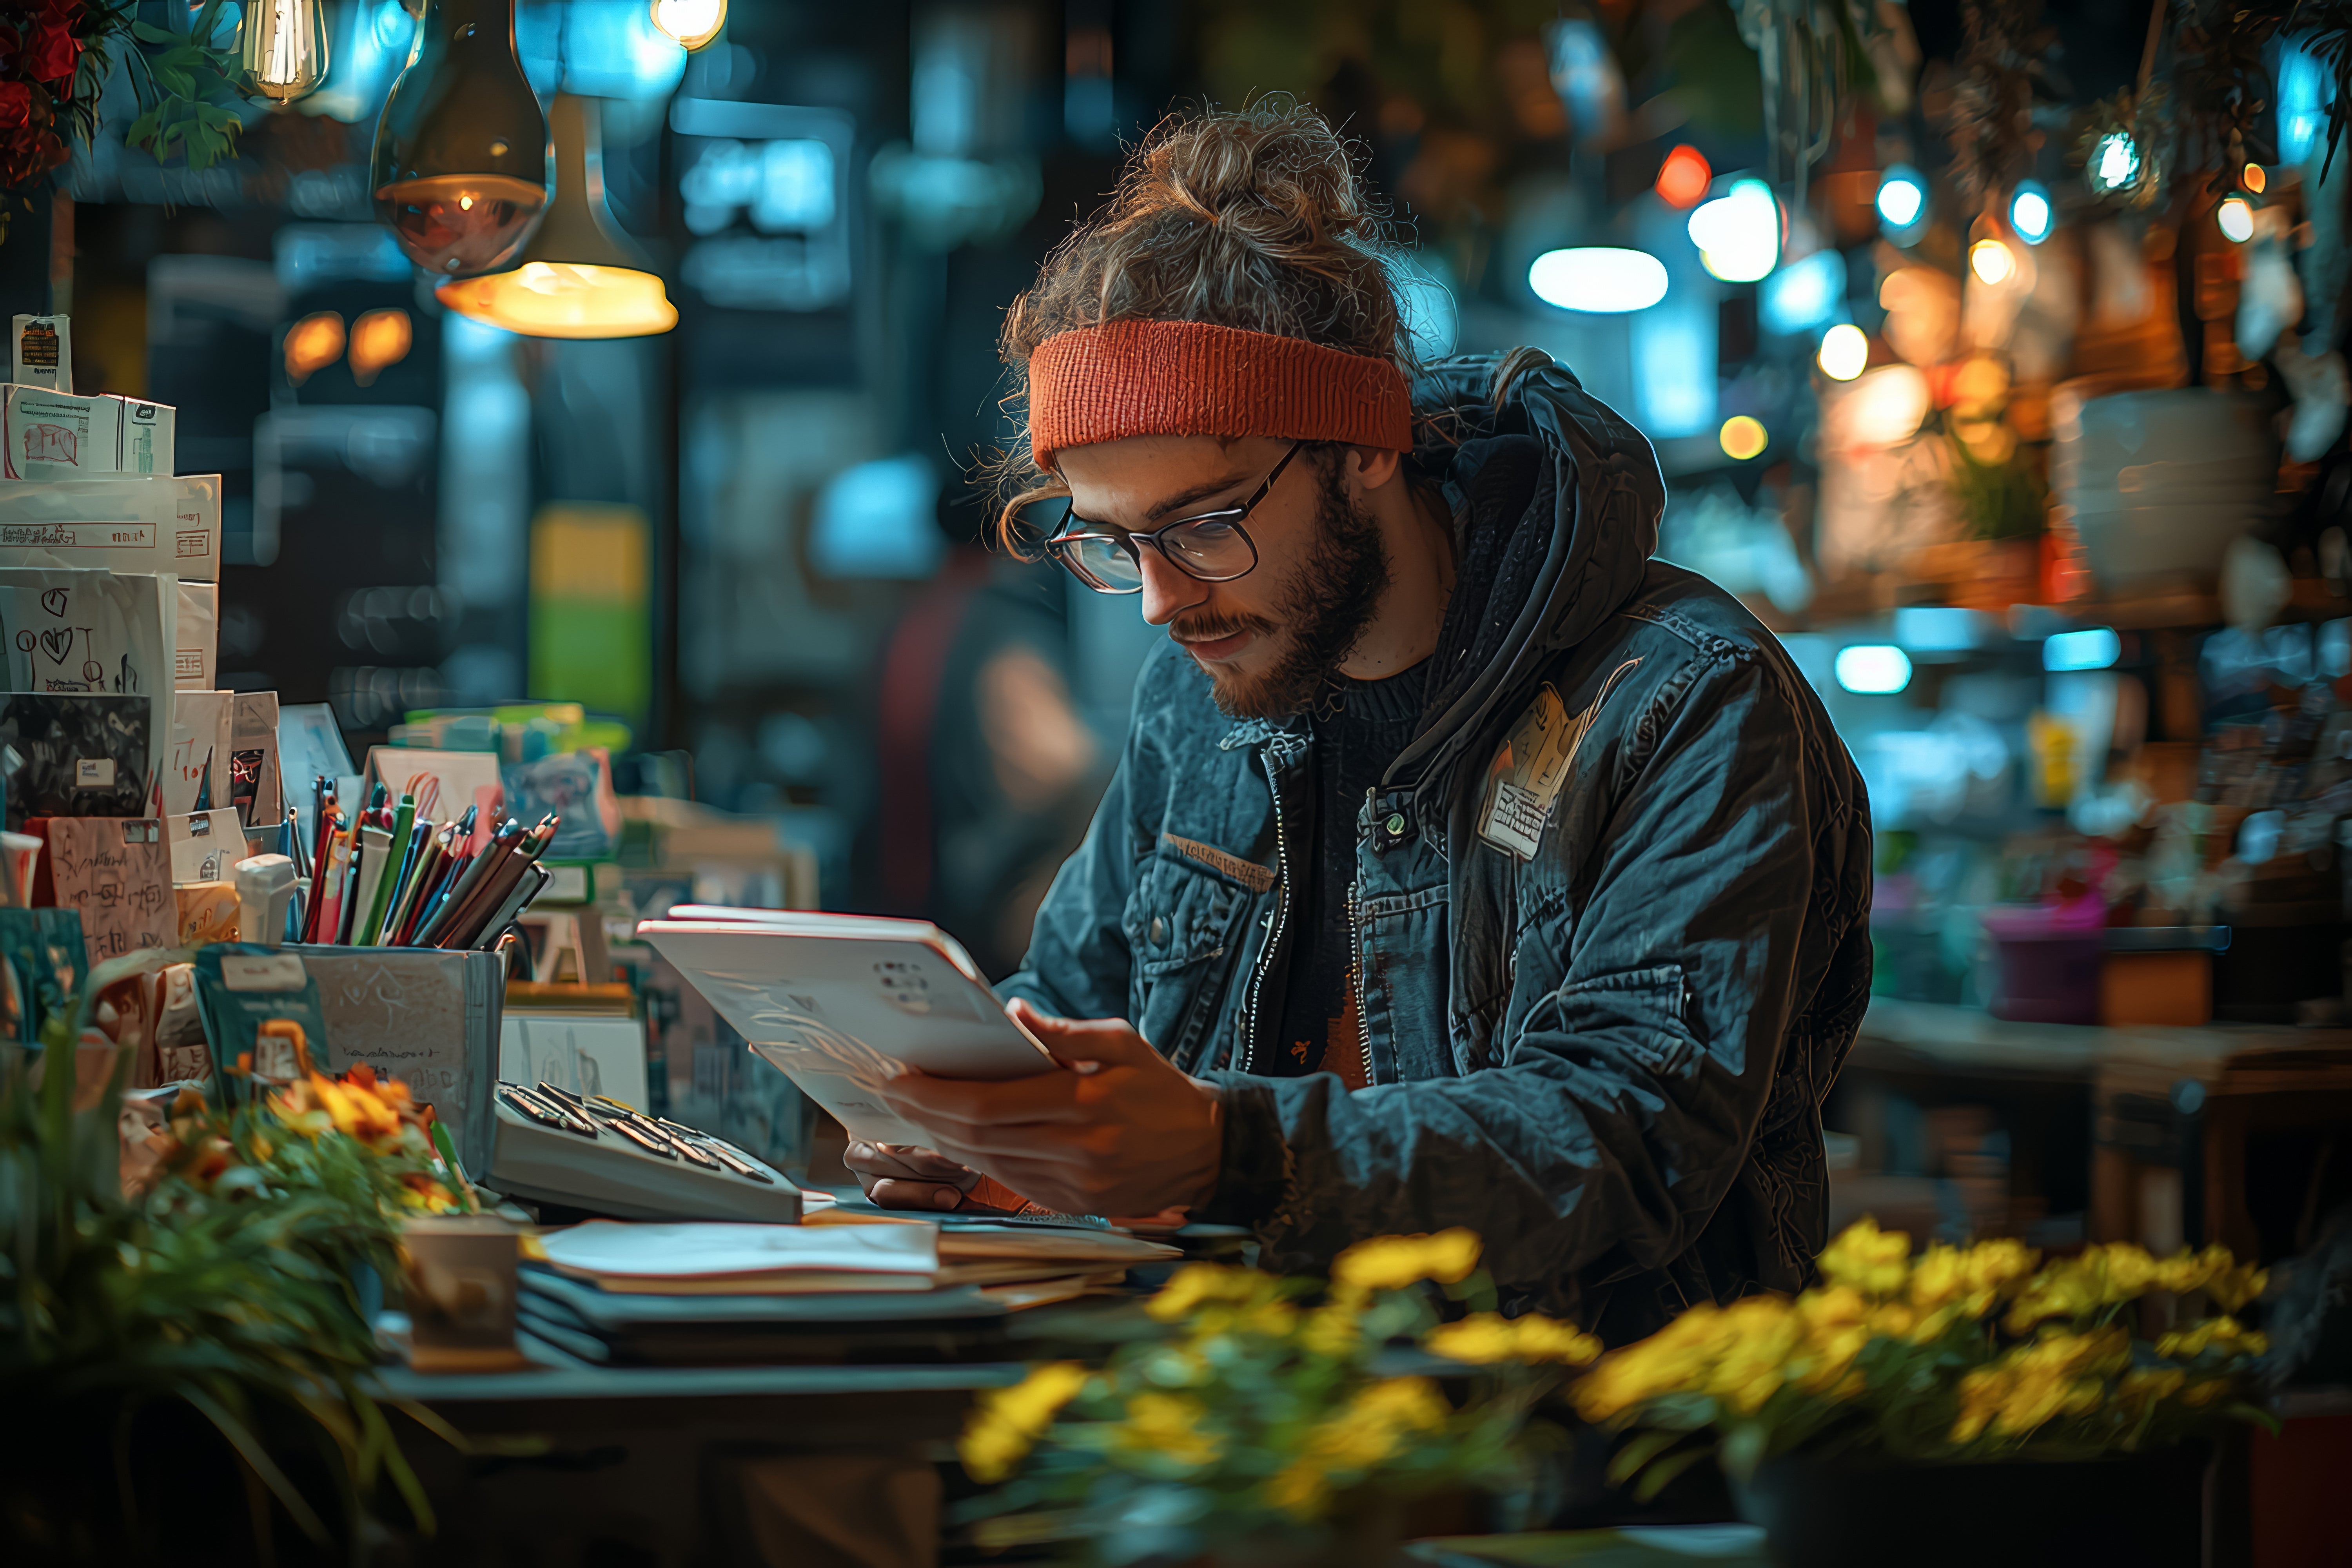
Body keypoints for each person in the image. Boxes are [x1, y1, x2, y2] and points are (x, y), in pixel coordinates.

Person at [845, 102, 1872, 1340]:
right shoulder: (1204, 689)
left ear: (1363, 445)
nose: (1165, 600)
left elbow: (1626, 1143)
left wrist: (1227, 1153)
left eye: (1206, 523)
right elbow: (1075, 991)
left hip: (1582, 1472)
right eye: (1117, 543)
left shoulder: (1686, 704)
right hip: (1235, 1429)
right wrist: (981, 1125)